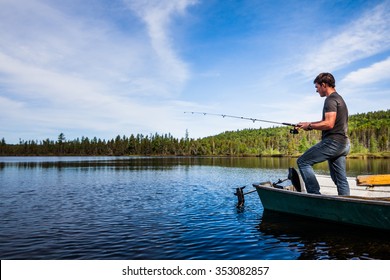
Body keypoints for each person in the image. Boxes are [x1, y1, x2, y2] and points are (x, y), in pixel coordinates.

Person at [296, 72, 350, 195]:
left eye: (317, 87)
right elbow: (326, 121)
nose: (316, 90)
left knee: (303, 162)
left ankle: (314, 195)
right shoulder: (339, 98)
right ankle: (346, 204)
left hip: (334, 143)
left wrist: (309, 126)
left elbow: (329, 124)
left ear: (324, 85)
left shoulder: (330, 100)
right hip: (343, 144)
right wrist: (307, 124)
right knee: (340, 180)